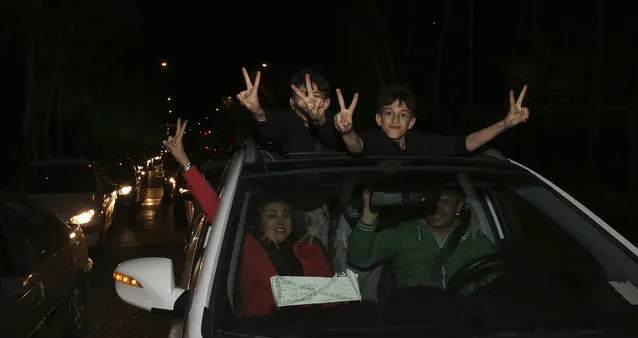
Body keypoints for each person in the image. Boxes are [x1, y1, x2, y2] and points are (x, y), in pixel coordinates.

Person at [163, 118, 332, 317]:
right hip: (258, 336)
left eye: (286, 215)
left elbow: (331, 301)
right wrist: (184, 161)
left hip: (310, 332)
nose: (281, 221)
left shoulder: (311, 248)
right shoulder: (246, 245)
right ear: (260, 220)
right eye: (272, 215)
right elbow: (214, 206)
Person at [346, 186, 494, 291]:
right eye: (433, 201)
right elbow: (358, 259)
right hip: (414, 320)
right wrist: (369, 215)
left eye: (445, 202)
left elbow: (496, 278)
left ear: (459, 205)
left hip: (462, 321)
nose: (437, 208)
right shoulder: (406, 232)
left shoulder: (475, 240)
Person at [334, 84, 530, 156]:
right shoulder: (374, 139)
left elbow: (464, 144)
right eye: (388, 113)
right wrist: (347, 131)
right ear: (378, 119)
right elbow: (356, 146)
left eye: (402, 115)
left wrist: (504, 125)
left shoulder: (419, 143)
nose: (395, 119)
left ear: (411, 122)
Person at [236, 67, 341, 153]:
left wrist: (320, 120)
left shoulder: (338, 122)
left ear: (326, 103)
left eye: (315, 95)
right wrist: (258, 113)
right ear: (292, 102)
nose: (310, 100)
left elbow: (349, 146)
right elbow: (270, 136)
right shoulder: (284, 122)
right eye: (303, 94)